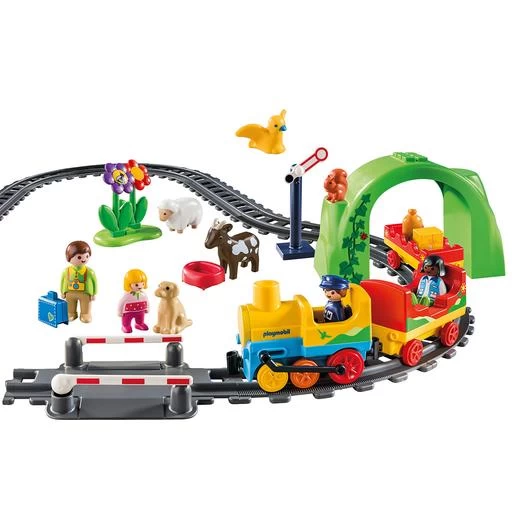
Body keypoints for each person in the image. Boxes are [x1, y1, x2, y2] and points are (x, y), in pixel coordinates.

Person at [60, 241, 97, 323]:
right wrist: (62, 292)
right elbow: (62, 281)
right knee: (70, 305)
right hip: (70, 293)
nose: (84, 259)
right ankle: (71, 313)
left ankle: (85, 314)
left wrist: (94, 293)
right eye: (79, 257)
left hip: (85, 293)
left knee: (85, 306)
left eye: (87, 256)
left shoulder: (90, 272)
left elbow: (95, 283)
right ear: (69, 257)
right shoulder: (66, 271)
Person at [118, 269, 149, 333]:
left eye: (142, 284)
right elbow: (121, 303)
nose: (140, 286)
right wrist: (120, 312)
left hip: (141, 310)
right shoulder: (127, 295)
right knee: (127, 320)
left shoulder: (143, 294)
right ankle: (125, 326)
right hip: (128, 311)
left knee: (140, 318)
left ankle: (139, 324)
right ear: (128, 284)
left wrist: (147, 308)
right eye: (136, 285)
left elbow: (147, 301)